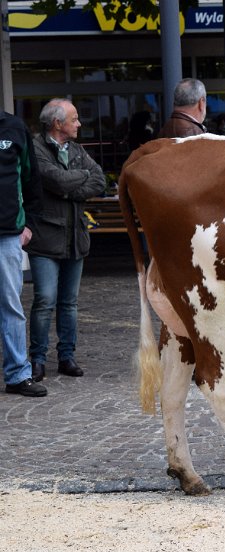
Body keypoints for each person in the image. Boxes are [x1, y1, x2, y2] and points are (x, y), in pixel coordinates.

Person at [26, 98, 107, 381]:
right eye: (74, 119)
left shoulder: (76, 150)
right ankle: (37, 359)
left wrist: (70, 185)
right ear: (58, 123)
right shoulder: (36, 149)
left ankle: (66, 357)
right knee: (45, 300)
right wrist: (75, 181)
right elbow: (54, 180)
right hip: (46, 238)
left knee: (69, 303)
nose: (79, 124)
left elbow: (99, 180)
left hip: (75, 237)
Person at [1, 110, 46, 396]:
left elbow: (32, 178)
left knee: (11, 307)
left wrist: (29, 223)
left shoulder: (14, 127)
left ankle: (18, 374)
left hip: (7, 235)